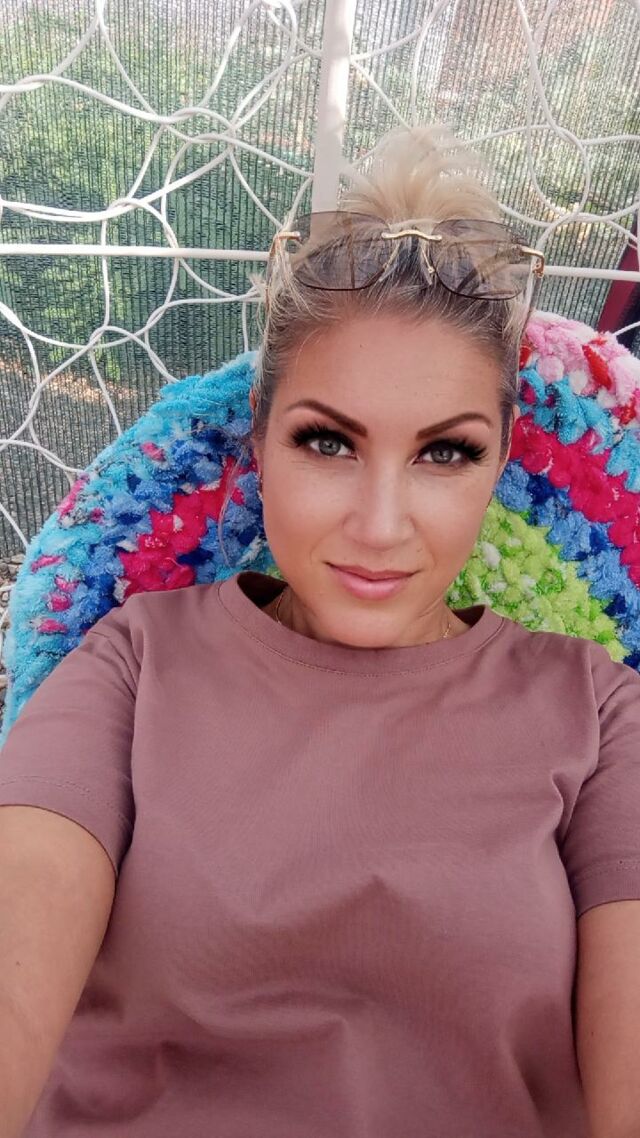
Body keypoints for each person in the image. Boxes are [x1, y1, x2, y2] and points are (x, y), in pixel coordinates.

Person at [0, 123, 639, 1138]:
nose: (380, 526)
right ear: (258, 442)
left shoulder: (598, 709)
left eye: (445, 453)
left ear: (501, 462)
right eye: (328, 442)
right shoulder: (134, 661)